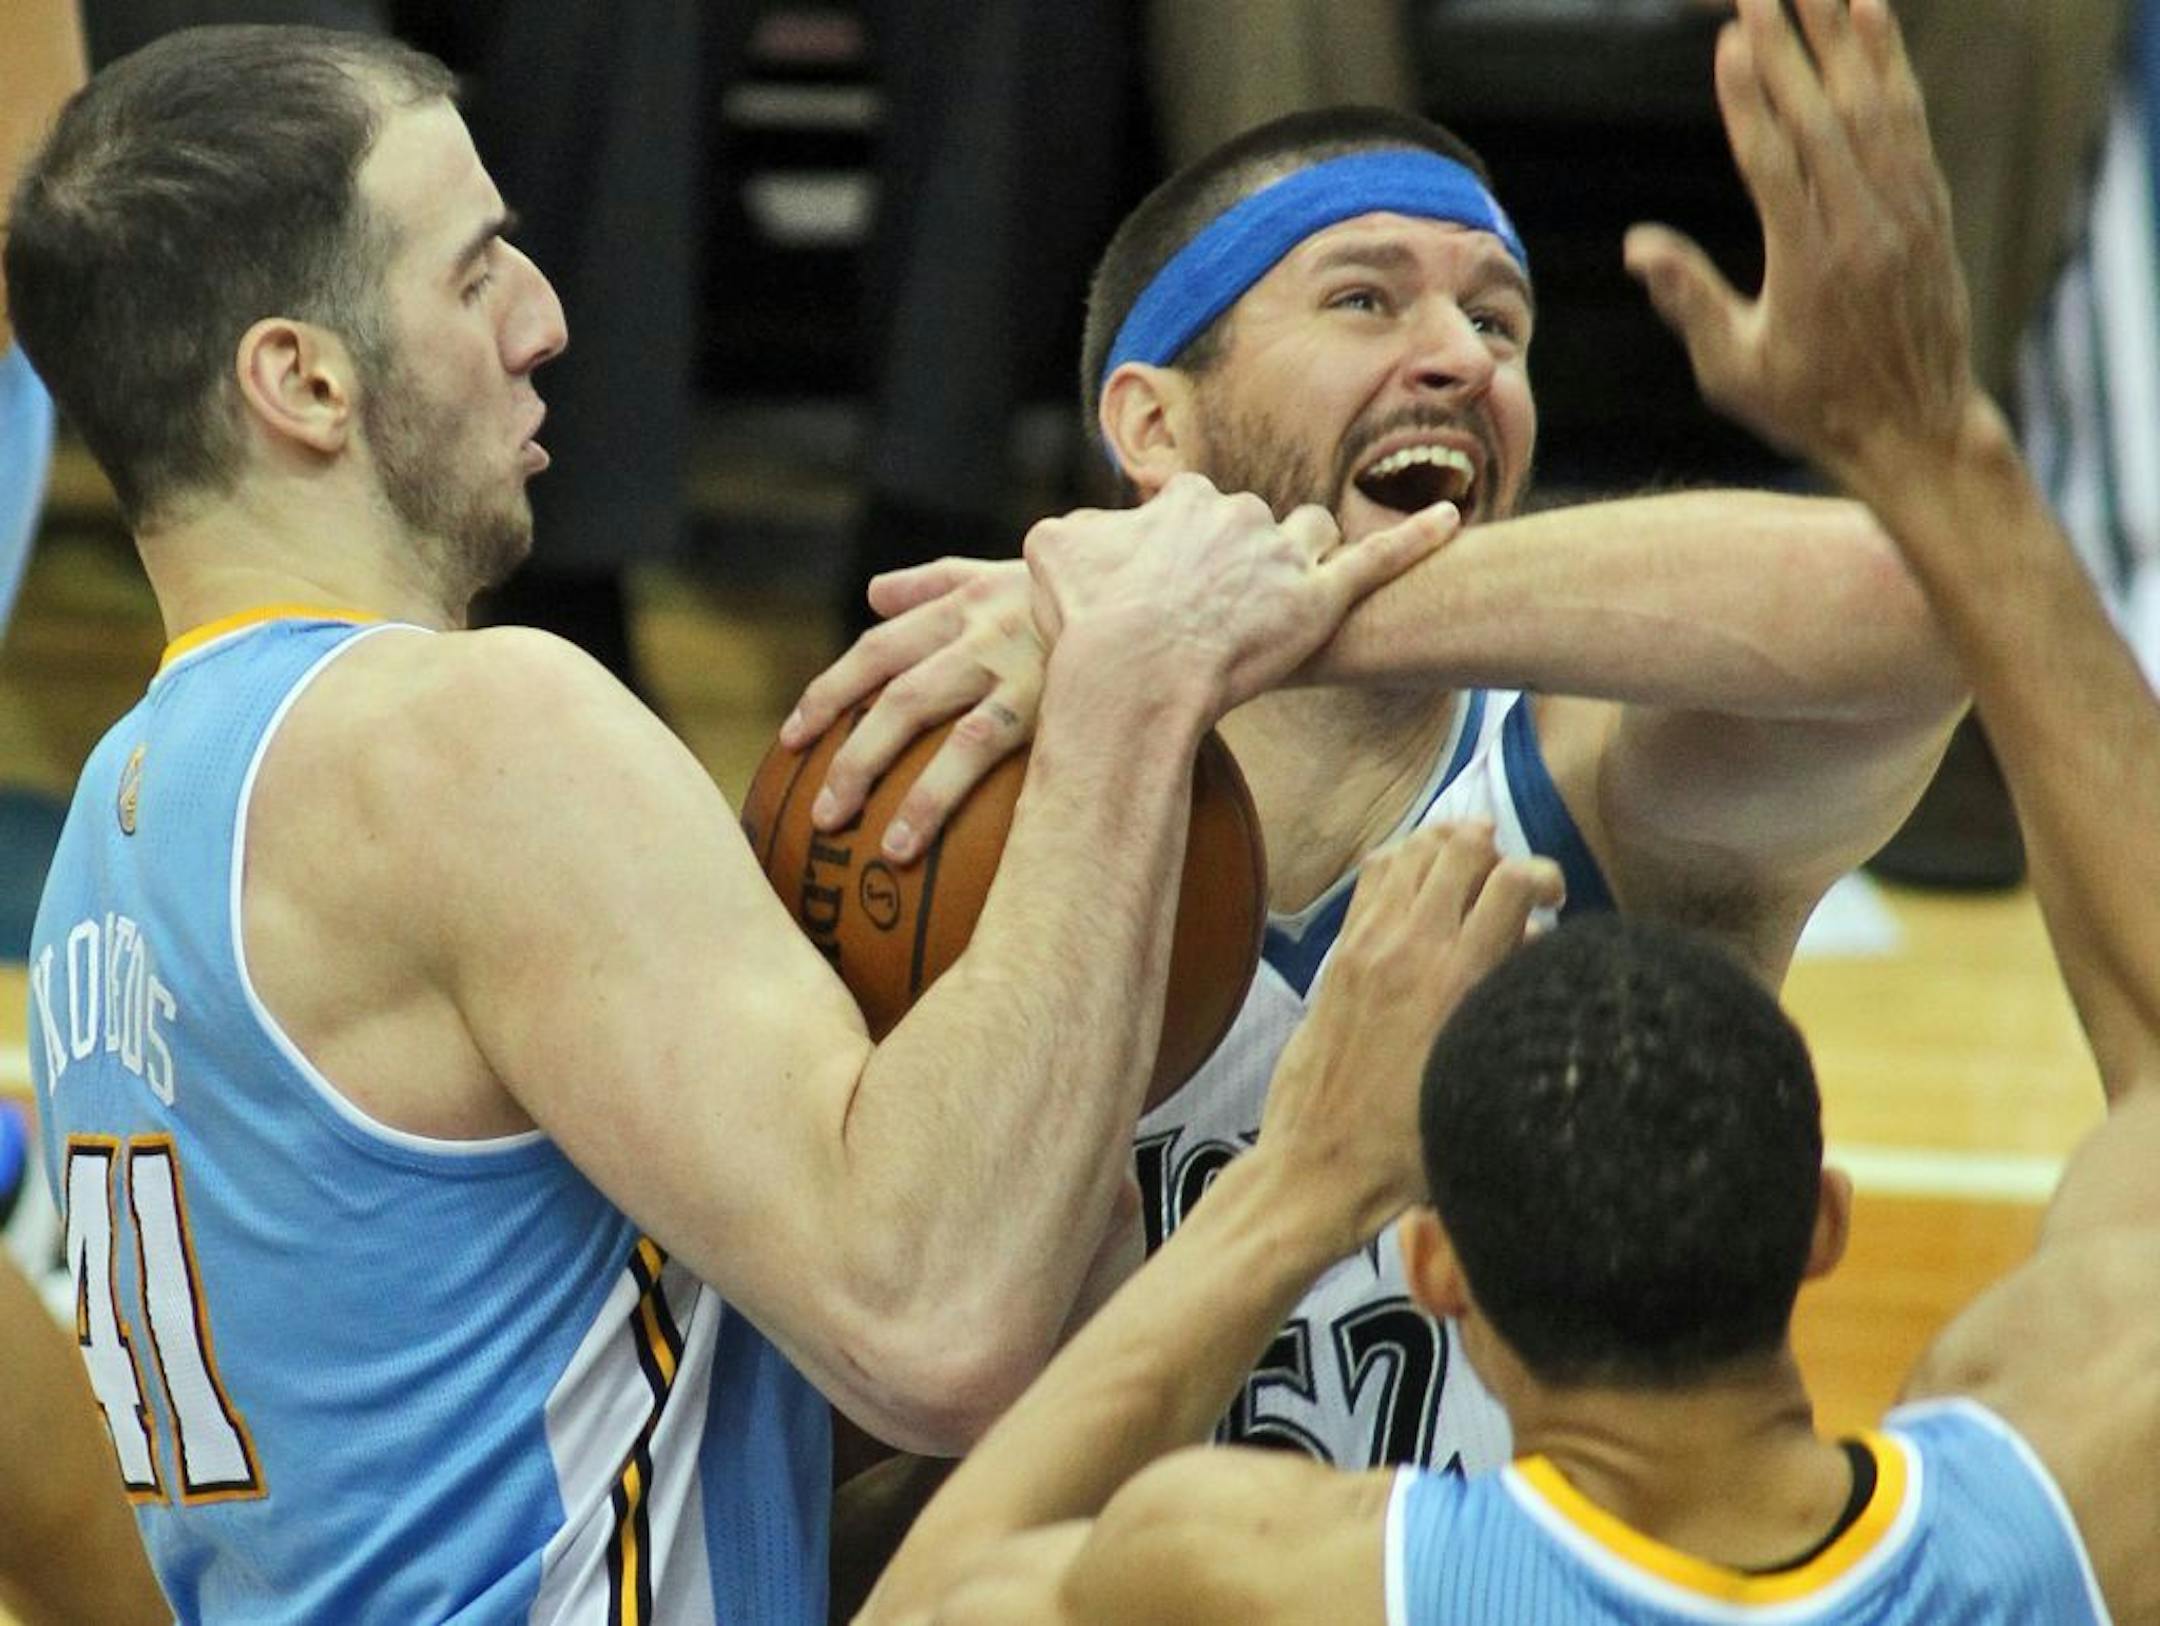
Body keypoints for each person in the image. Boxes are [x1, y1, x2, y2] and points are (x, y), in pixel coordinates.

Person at [4, 25, 1449, 1620]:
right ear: (303, 378)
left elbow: (581, 1442)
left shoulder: (107, 850)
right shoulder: (457, 737)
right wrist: (1129, 691)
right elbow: (929, 1319)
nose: (547, 320)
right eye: (475, 273)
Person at [852, 6, 2159, 1613]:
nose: (1465, 354)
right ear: (1150, 423)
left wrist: (1273, 608)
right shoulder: (945, 797)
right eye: (1366, 297)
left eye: (1500, 322)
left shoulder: (1599, 788)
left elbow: (1903, 601)